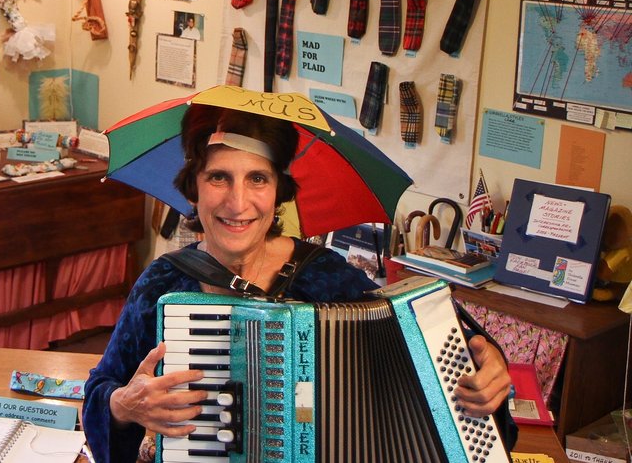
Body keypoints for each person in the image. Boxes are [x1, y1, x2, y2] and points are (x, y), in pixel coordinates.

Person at [81, 105, 515, 462]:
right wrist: (122, 405)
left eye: (258, 178)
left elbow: (442, 328)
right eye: (219, 177)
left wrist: (489, 358)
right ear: (193, 188)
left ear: (278, 192)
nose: (238, 202)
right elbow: (102, 389)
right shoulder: (164, 281)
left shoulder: (323, 274)